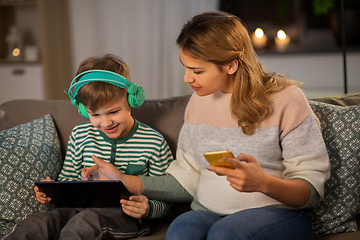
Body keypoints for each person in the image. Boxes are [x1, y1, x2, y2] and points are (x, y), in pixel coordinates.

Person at [82, 12, 331, 240]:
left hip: (280, 214)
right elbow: (187, 180)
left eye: (197, 70)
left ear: (231, 64)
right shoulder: (198, 103)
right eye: (186, 67)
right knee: (181, 233)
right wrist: (122, 180)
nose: (187, 78)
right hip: (208, 211)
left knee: (226, 234)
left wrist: (262, 183)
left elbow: (310, 189)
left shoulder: (287, 99)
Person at [2, 54, 174, 240]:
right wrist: (52, 191)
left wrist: (148, 208)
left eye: (114, 111)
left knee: (83, 224)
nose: (106, 122)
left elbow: (167, 197)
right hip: (77, 209)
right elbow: (68, 179)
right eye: (95, 114)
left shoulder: (154, 142)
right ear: (84, 110)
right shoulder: (80, 135)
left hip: (125, 217)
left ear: (132, 99)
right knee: (38, 224)